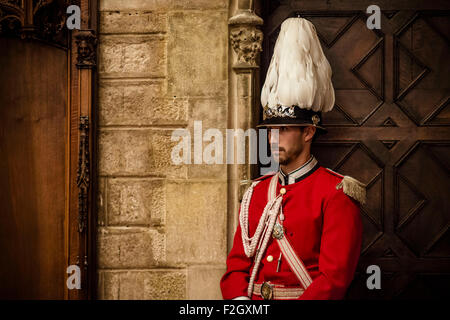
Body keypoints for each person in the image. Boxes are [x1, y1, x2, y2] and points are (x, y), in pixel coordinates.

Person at [220, 17, 364, 300]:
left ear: (308, 132)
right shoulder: (257, 192)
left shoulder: (336, 194)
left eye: (283, 130)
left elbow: (333, 281)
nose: (273, 138)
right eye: (271, 130)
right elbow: (236, 267)